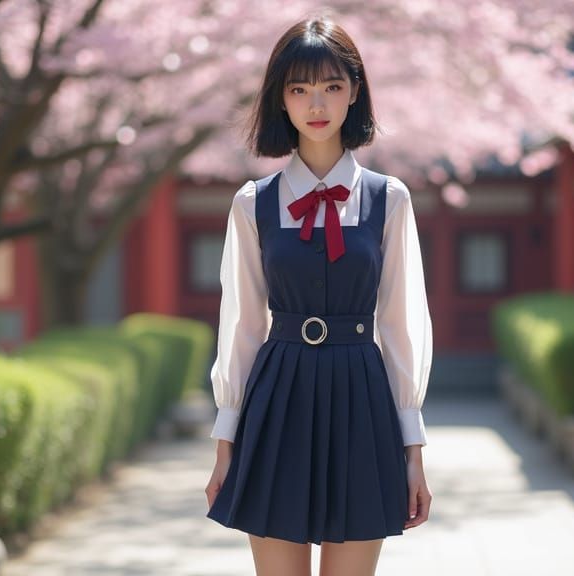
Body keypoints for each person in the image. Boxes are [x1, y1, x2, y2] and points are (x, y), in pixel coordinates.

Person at [204, 14, 432, 576]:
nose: (317, 103)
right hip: (277, 398)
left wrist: (413, 450)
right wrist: (226, 436)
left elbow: (403, 325)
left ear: (355, 92)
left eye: (332, 85)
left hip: (362, 398)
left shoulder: (390, 199)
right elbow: (242, 325)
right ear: (280, 99)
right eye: (299, 88)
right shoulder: (252, 203)